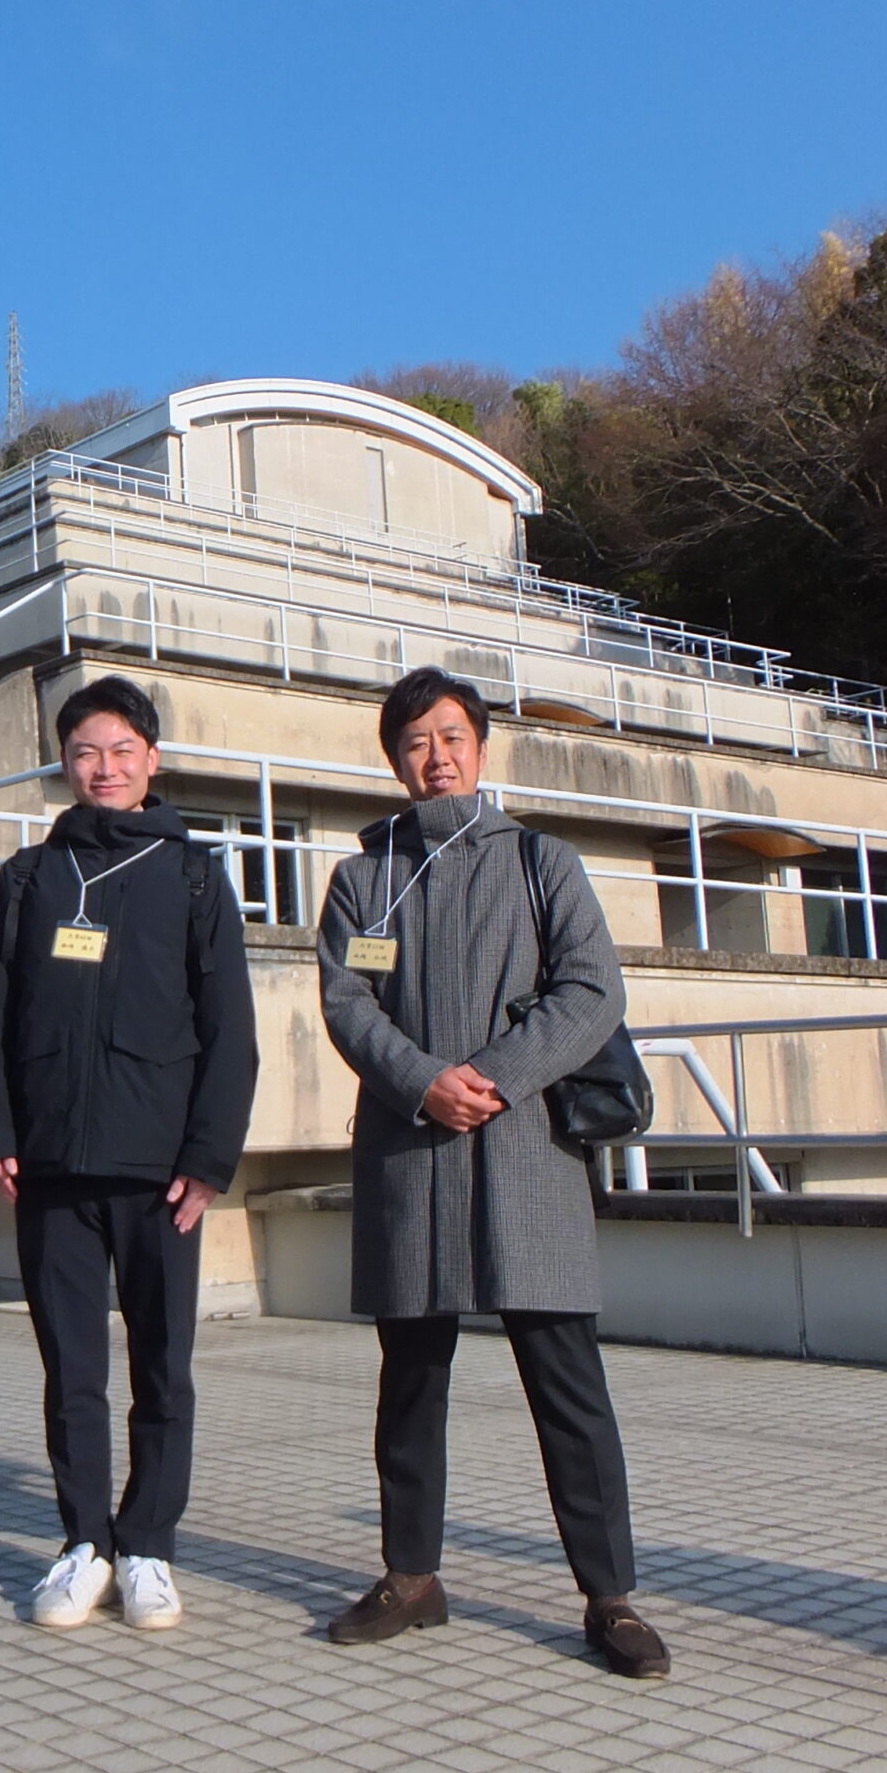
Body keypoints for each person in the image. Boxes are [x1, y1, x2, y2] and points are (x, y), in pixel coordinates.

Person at [316, 666, 669, 1679]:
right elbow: (346, 1003)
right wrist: (422, 1082)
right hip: (410, 1152)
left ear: (479, 746)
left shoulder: (540, 861)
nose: (436, 756)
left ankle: (610, 1598)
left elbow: (591, 991)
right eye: (415, 741)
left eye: (451, 736)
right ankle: (411, 1577)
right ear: (395, 760)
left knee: (567, 1383)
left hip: (525, 1154)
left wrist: (496, 1078)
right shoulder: (364, 880)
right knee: (410, 1381)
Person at [0, 675, 258, 1632]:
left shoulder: (195, 877)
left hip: (161, 1173)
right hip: (52, 1166)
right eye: (86, 751)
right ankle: (84, 1542)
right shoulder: (28, 879)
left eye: (123, 751)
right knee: (71, 1369)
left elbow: (231, 1028)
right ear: (64, 762)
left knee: (163, 1368)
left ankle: (149, 1546)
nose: (105, 767)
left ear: (152, 760)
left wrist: (209, 1157)